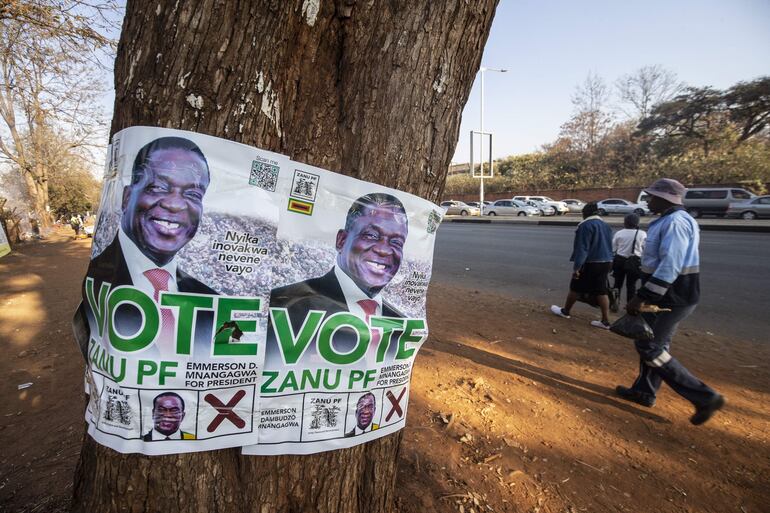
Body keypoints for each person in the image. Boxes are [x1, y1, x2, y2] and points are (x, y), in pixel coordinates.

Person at [74, 137, 217, 358]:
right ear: (127, 197)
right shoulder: (99, 278)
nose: (174, 204)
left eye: (192, 194)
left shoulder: (209, 299)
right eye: (158, 187)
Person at [617, 178, 724, 425]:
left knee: (650, 347)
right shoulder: (669, 219)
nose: (648, 200)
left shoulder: (675, 222)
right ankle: (644, 392)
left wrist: (641, 297)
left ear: (665, 198)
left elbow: (670, 266)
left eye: (651, 196)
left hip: (672, 295)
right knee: (653, 342)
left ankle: (704, 397)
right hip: (670, 293)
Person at [267, 193, 408, 363]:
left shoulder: (401, 323)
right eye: (371, 235)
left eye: (396, 242)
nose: (384, 250)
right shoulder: (284, 305)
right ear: (341, 240)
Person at [550, 201, 614, 329]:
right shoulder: (606, 226)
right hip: (606, 261)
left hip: (591, 262)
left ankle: (565, 311)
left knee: (575, 287)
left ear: (585, 213)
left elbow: (582, 249)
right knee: (601, 290)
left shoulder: (585, 226)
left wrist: (577, 268)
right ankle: (605, 321)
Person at [610, 213, 647, 310]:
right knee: (631, 285)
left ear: (625, 222)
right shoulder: (642, 234)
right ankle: (630, 306)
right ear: (637, 223)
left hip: (620, 260)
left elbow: (613, 249)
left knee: (617, 284)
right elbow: (645, 249)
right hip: (635, 262)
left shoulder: (619, 233)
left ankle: (614, 304)